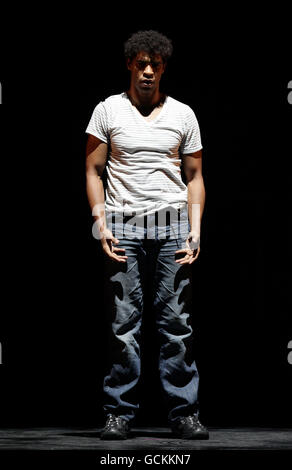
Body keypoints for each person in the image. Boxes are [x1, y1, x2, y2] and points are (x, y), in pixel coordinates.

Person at [85, 30, 208, 440]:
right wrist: (99, 221)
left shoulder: (183, 114)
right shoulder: (107, 111)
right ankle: (118, 412)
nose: (149, 71)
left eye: (156, 64)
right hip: (123, 226)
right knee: (124, 324)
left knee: (177, 323)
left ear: (164, 67)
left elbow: (194, 176)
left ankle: (183, 413)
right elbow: (92, 170)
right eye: (141, 63)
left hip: (172, 226)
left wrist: (195, 231)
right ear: (129, 65)